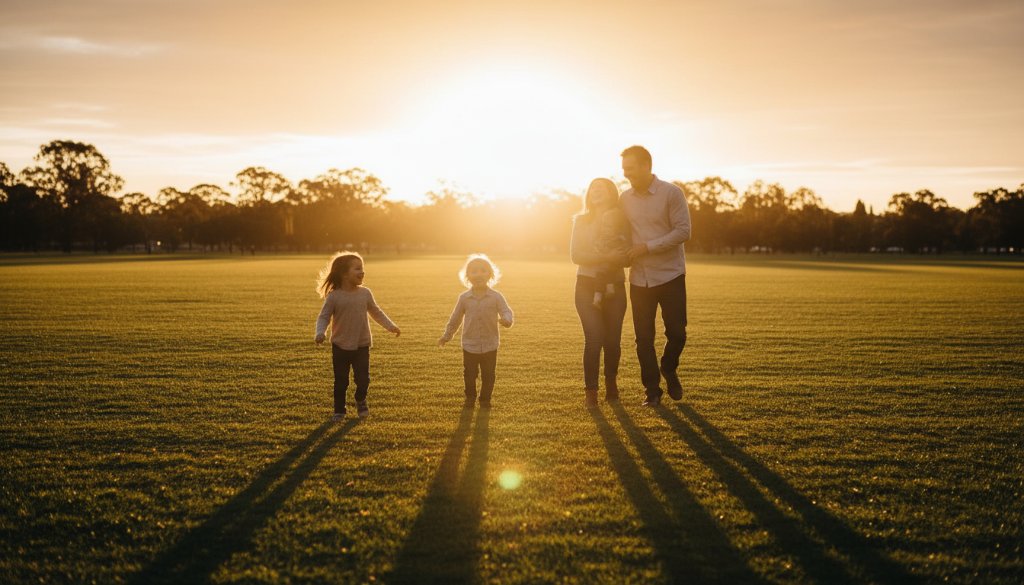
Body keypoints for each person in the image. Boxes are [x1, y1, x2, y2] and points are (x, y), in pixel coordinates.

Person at [619, 145, 692, 406]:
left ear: (646, 166)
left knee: (677, 333)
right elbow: (618, 231)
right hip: (640, 279)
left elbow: (683, 231)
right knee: (643, 339)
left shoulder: (671, 193)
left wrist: (646, 247)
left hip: (671, 275)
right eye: (624, 168)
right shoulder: (624, 199)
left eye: (630, 168)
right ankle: (652, 391)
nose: (626, 173)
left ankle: (669, 368)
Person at [314, 251, 400, 420]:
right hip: (340, 346)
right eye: (357, 269)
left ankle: (360, 400)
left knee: (363, 380)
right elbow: (324, 316)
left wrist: (390, 326)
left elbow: (376, 312)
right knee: (341, 382)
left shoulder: (365, 293)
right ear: (344, 274)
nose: (362, 272)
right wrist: (320, 332)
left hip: (361, 345)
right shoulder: (334, 296)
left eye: (363, 268)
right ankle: (339, 410)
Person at [570, 178, 629, 408]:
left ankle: (611, 384)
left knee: (613, 341)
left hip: (615, 286)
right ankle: (591, 392)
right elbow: (576, 256)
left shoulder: (621, 220)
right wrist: (606, 256)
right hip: (586, 285)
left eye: (602, 188)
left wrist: (617, 256)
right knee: (594, 339)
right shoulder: (581, 221)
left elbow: (625, 256)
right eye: (593, 188)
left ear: (611, 193)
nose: (596, 192)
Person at [438, 253, 514, 409]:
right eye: (474, 271)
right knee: (470, 374)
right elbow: (455, 319)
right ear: (468, 276)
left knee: (489, 374)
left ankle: (485, 399)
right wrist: (447, 336)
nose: (478, 274)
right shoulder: (464, 298)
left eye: (483, 270)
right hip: (469, 344)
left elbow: (506, 311)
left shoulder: (496, 297)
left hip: (490, 344)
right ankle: (470, 397)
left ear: (490, 274)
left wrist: (507, 320)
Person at [591, 207, 632, 309]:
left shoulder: (620, 239)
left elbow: (624, 253)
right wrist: (603, 252)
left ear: (617, 228)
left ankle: (606, 290)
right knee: (600, 277)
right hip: (603, 267)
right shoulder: (602, 238)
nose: (605, 229)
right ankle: (598, 297)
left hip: (613, 268)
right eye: (604, 226)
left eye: (608, 226)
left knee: (607, 271)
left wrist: (619, 247)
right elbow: (597, 247)